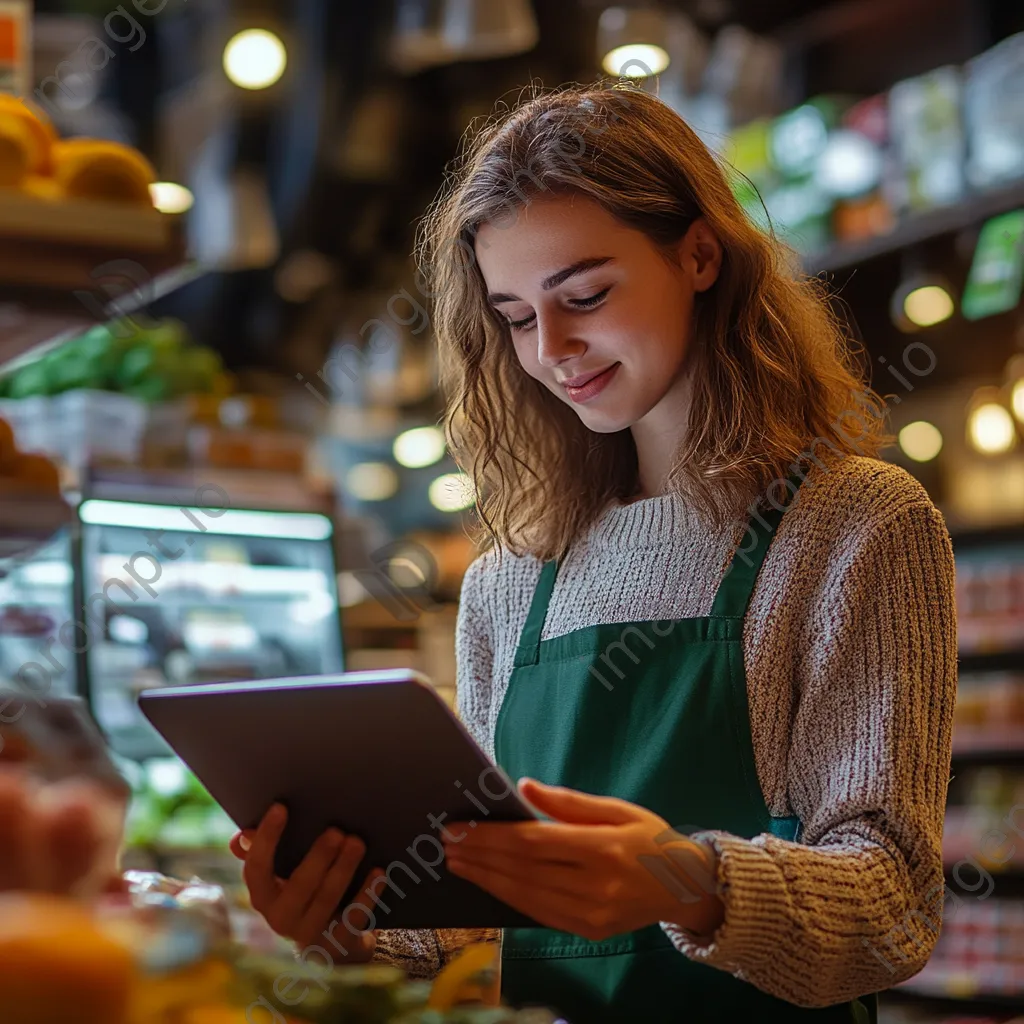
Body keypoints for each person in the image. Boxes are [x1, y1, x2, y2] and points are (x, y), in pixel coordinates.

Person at [232, 85, 957, 1022]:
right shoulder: (509, 576)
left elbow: (892, 907)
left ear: (699, 254)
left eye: (584, 296)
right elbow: (469, 922)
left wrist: (682, 881)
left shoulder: (857, 525)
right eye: (518, 317)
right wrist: (344, 928)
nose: (555, 350)